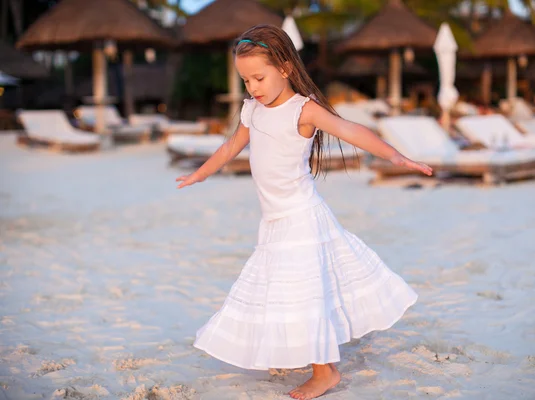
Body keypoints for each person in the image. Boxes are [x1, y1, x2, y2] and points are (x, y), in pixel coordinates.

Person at [175, 24, 432, 400]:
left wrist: (395, 155)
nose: (253, 88)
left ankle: (325, 373)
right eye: (246, 81)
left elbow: (351, 130)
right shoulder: (253, 110)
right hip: (274, 220)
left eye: (258, 78)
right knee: (285, 291)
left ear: (284, 68)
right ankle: (313, 360)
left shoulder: (303, 109)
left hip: (301, 217)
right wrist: (200, 173)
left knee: (305, 292)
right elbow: (231, 147)